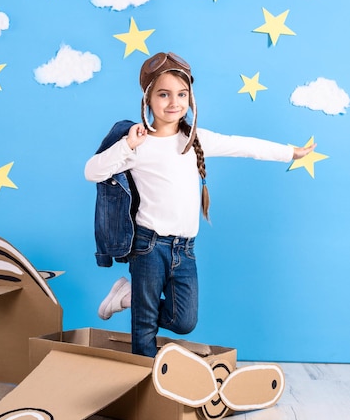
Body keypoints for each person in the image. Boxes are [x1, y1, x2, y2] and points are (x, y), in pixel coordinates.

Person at [84, 52, 315, 358]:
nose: (173, 103)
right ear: (148, 99)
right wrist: (127, 145)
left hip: (185, 249)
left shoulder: (196, 139)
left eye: (181, 94)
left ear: (190, 98)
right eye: (163, 94)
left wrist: (289, 152)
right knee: (144, 327)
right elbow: (92, 171)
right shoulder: (137, 143)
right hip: (148, 245)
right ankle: (146, 391)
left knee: (184, 321)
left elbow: (242, 145)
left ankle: (128, 297)